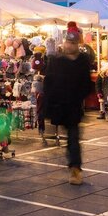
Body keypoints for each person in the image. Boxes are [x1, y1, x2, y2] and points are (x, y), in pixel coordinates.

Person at [41, 25, 93, 186]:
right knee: (69, 139)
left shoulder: (83, 61)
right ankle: (73, 164)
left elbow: (87, 84)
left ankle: (75, 169)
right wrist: (47, 105)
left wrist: (78, 97)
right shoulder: (57, 60)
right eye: (67, 43)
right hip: (59, 105)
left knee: (73, 138)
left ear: (77, 44)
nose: (68, 45)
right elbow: (48, 82)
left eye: (72, 43)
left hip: (73, 106)